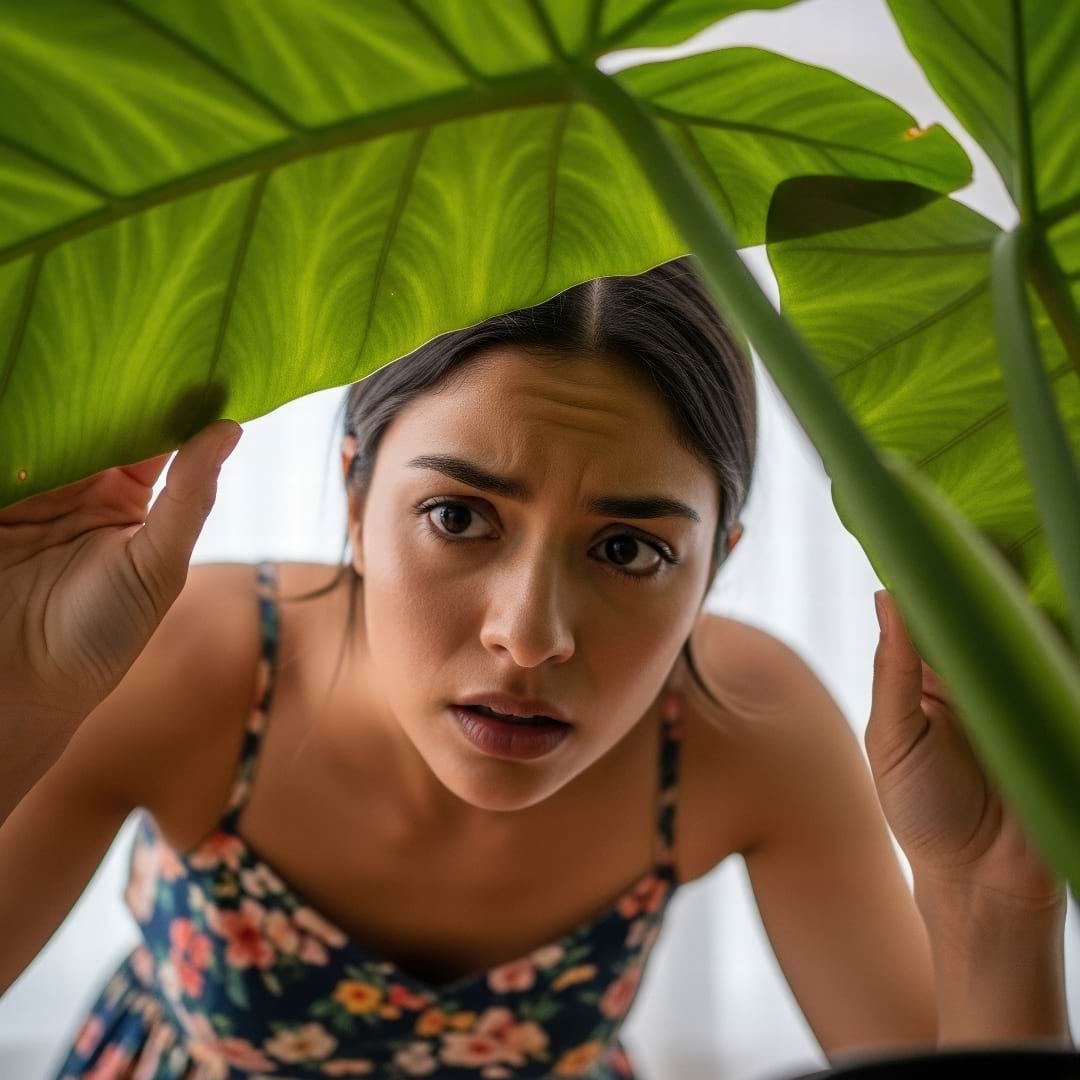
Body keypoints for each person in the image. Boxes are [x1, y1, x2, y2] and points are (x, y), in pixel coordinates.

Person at [0, 256, 1070, 1079]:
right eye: (459, 516)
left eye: (629, 549)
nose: (530, 634)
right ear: (354, 500)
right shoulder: (186, 659)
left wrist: (998, 895)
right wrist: (20, 697)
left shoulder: (748, 726)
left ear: (716, 566)